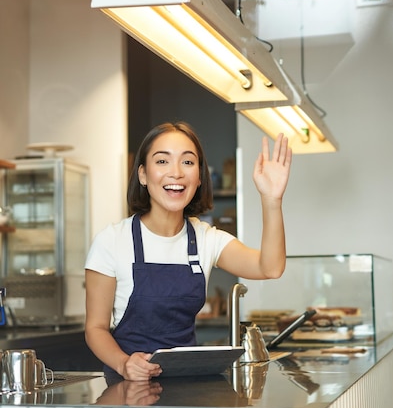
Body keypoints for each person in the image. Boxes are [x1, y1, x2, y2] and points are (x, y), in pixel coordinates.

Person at [85, 121, 292, 382]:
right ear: (143, 175)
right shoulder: (111, 240)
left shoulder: (206, 239)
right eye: (162, 162)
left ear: (199, 177)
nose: (176, 173)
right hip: (129, 388)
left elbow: (270, 267)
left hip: (189, 385)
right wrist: (125, 363)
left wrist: (271, 200)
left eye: (188, 162)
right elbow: (95, 328)